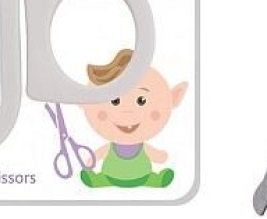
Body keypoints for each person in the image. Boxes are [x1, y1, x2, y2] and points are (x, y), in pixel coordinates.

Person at [79, 49, 187, 188]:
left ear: (174, 99)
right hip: (110, 176)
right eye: (115, 101)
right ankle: (99, 180)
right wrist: (92, 159)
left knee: (149, 179)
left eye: (141, 101)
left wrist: (160, 156)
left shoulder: (142, 147)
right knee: (104, 179)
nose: (127, 112)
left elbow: (156, 156)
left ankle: (155, 179)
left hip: (142, 177)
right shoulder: (111, 147)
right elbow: (100, 153)